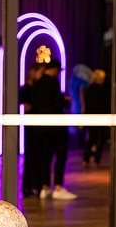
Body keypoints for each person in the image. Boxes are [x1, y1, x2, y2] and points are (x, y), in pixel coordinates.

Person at [29, 58, 75, 200]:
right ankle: (58, 187)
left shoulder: (37, 83)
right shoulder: (53, 82)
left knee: (45, 157)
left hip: (41, 127)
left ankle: (45, 187)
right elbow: (58, 102)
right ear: (55, 70)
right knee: (60, 156)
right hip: (56, 127)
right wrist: (66, 100)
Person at [19, 62, 45, 197]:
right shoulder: (28, 89)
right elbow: (27, 106)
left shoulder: (39, 88)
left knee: (39, 158)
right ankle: (28, 187)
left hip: (38, 126)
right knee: (31, 158)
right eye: (40, 72)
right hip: (32, 128)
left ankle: (37, 186)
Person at [82, 68, 110, 168]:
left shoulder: (88, 89)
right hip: (100, 117)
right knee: (100, 139)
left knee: (91, 138)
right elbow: (104, 104)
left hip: (91, 117)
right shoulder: (101, 90)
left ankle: (86, 159)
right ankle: (96, 159)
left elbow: (86, 104)